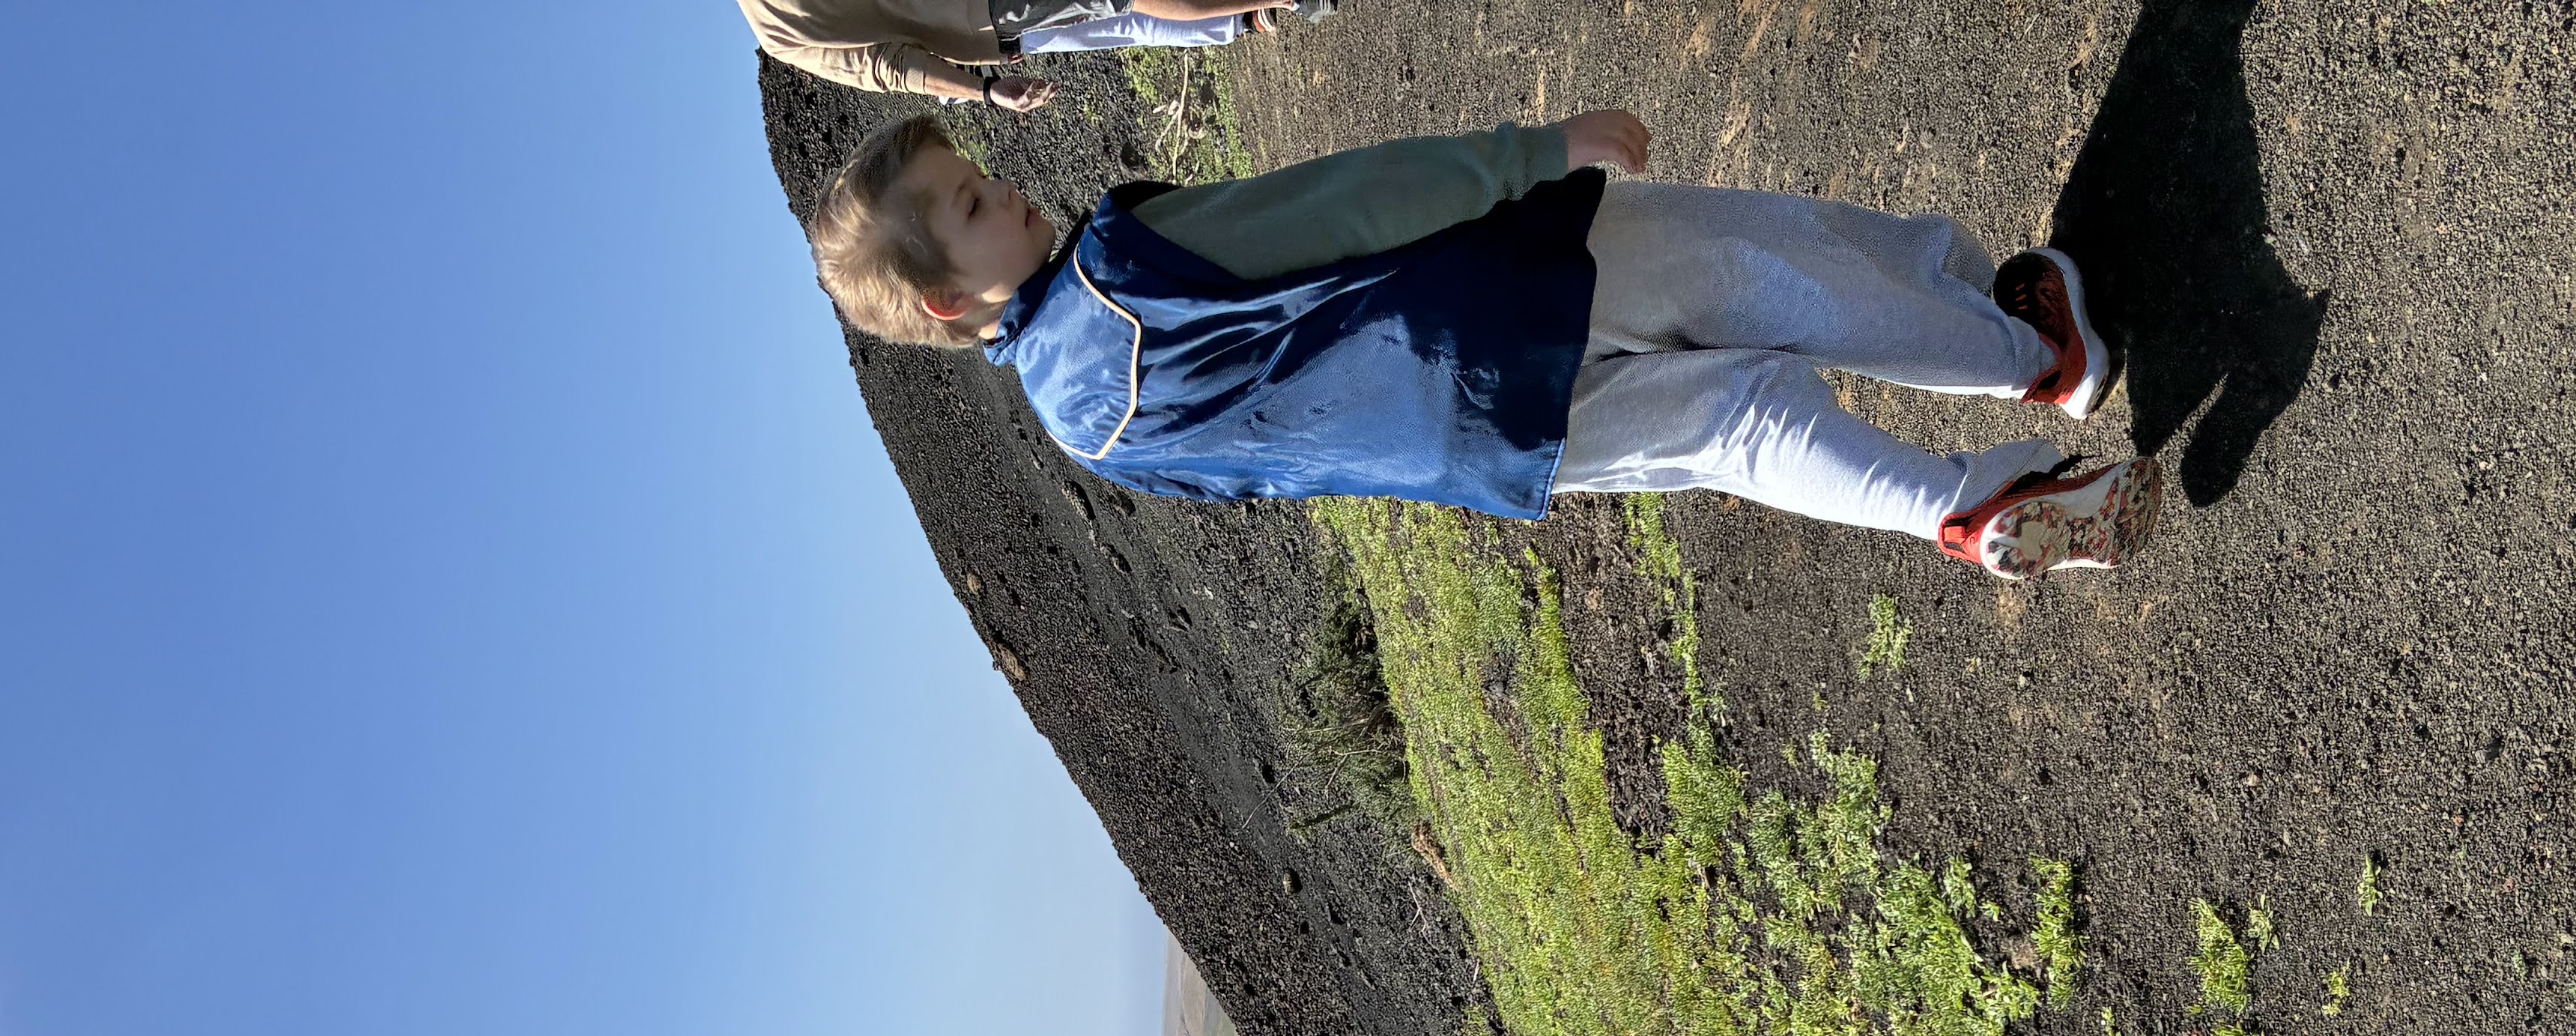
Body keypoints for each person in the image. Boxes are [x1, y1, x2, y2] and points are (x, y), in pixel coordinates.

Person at [804, 112, 2159, 578]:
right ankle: (2027, 352)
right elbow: (1341, 205)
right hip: (1495, 288)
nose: (1009, 192)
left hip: (1482, 442)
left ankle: (1969, 511)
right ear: (946, 300)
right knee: (1764, 267)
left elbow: (1280, 466)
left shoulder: (1081, 428)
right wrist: (1529, 153)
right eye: (974, 206)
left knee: (1739, 425)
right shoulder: (1112, 261)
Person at [742, 0, 1288, 109]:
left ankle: (1244, 17)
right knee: (1118, 9)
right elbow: (890, 68)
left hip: (986, 25)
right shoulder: (776, 27)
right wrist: (981, 89)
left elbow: (889, 68)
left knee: (1114, 21)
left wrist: (981, 88)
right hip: (985, 14)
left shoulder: (775, 30)